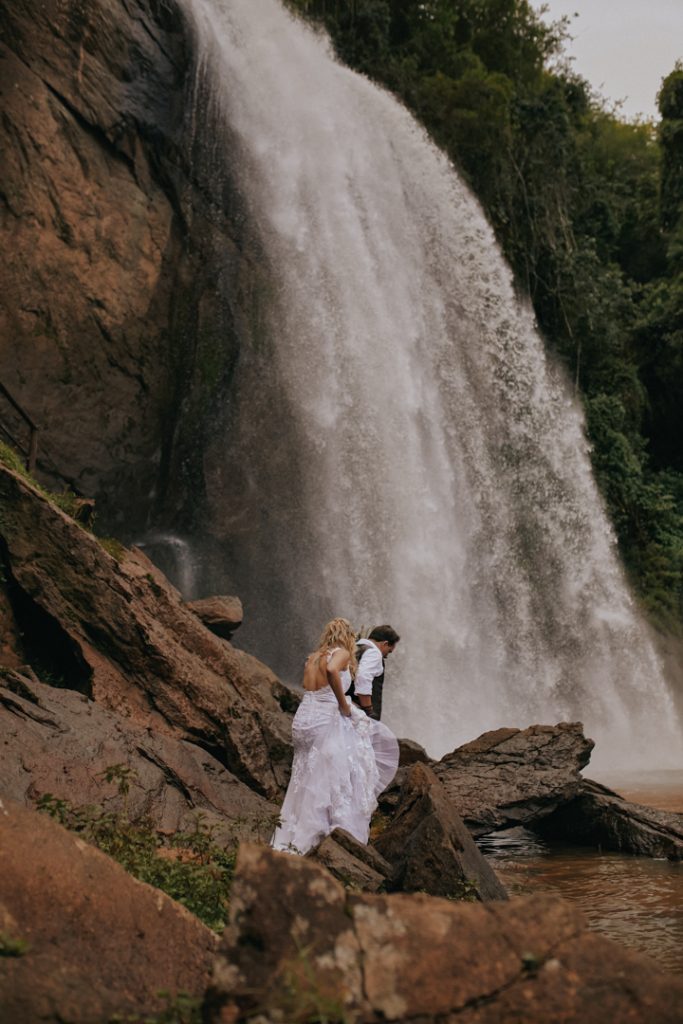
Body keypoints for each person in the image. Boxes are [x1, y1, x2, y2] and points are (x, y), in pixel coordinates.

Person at [271, 618, 399, 855]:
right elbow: (331, 672)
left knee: (307, 776)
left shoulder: (313, 657)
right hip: (325, 718)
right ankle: (324, 831)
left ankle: (293, 833)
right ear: (346, 636)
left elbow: (308, 685)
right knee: (334, 772)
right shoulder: (339, 653)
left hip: (304, 718)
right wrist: (344, 704)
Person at [352, 624, 400, 721]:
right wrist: (369, 710)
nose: (386, 655)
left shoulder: (354, 647)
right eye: (389, 651)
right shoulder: (373, 653)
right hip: (360, 713)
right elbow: (363, 677)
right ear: (385, 643)